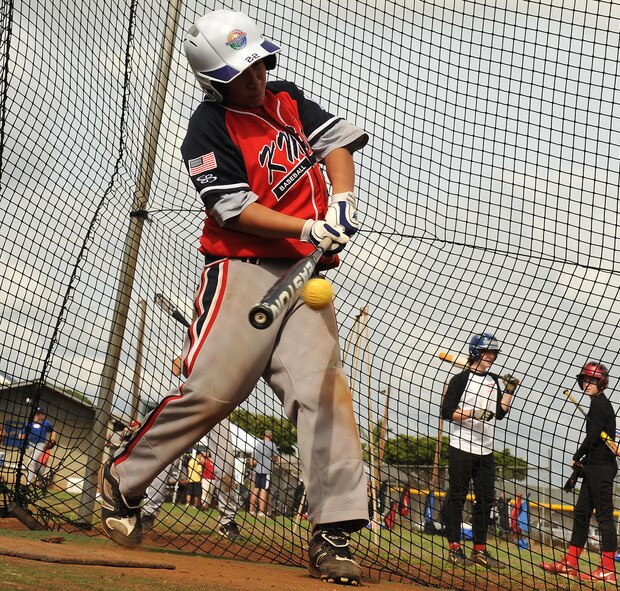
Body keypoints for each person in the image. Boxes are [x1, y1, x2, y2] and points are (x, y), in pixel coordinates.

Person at [99, 9, 369, 585]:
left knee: (324, 392)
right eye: (239, 75)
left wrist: (339, 202)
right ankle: (123, 477)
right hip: (242, 269)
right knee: (214, 393)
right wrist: (303, 228)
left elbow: (340, 141)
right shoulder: (207, 129)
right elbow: (232, 208)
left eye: (257, 66)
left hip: (307, 276)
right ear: (214, 83)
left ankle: (334, 531)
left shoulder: (287, 100)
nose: (254, 80)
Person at [439, 332, 519, 569]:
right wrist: (472, 413)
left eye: (494, 353)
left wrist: (510, 390)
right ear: (476, 353)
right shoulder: (460, 380)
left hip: (486, 450)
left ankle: (480, 551)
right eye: (487, 352)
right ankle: (455, 548)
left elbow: (501, 413)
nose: (491, 357)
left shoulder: (493, 381)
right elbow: (447, 412)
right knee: (457, 497)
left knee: (485, 500)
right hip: (461, 447)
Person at [540, 361, 618, 583]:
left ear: (602, 382)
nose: (587, 384)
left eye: (592, 380)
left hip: (602, 468)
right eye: (585, 379)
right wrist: (584, 460)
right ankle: (570, 564)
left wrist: (577, 455)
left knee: (604, 518)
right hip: (594, 467)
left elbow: (593, 436)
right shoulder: (598, 404)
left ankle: (608, 569)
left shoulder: (600, 405)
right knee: (582, 514)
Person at [23, 407, 57, 486]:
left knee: (31, 462)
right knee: (36, 464)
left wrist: (52, 439)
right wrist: (23, 436)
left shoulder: (46, 423)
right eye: (37, 414)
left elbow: (53, 430)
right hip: (31, 444)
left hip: (41, 445)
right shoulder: (29, 423)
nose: (38, 415)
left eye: (40, 414)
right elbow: (22, 434)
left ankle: (27, 484)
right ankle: (42, 478)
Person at [250, 430, 279, 517]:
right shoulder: (272, 444)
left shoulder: (258, 444)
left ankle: (251, 511)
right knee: (264, 490)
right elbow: (276, 458)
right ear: (270, 436)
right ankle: (261, 512)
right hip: (266, 471)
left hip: (257, 470)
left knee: (256, 489)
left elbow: (254, 458)